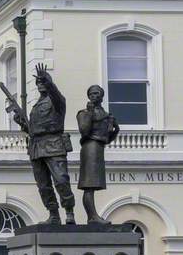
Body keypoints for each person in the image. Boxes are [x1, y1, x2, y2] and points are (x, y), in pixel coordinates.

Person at [10, 63, 77, 225]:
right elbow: (32, 129)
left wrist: (47, 80)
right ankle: (53, 214)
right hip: (36, 146)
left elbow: (54, 93)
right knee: (43, 185)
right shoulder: (35, 107)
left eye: (43, 82)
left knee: (61, 180)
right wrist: (21, 122)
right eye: (38, 82)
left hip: (54, 144)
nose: (40, 84)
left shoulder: (57, 101)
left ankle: (69, 212)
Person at [77, 84, 120, 224]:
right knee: (89, 185)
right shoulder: (83, 113)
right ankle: (92, 216)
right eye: (91, 94)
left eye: (96, 93)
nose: (93, 96)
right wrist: (89, 113)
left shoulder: (106, 115)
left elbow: (107, 138)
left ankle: (92, 216)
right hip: (90, 147)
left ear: (101, 96)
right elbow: (84, 130)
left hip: (99, 148)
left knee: (94, 184)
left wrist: (115, 129)